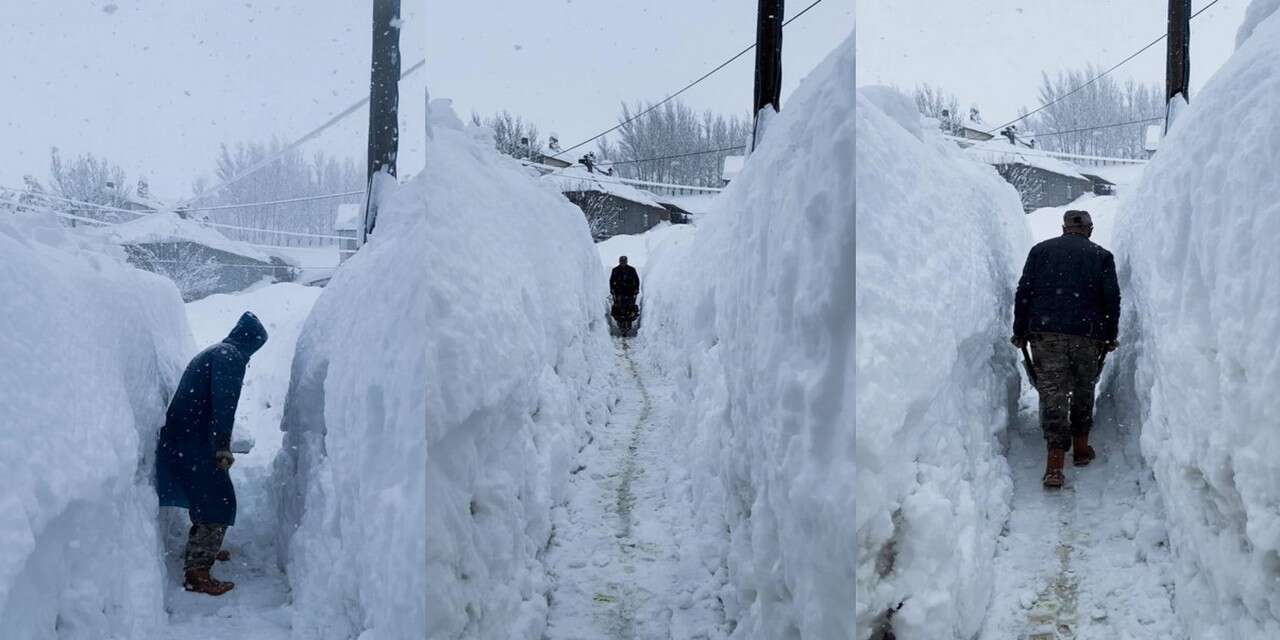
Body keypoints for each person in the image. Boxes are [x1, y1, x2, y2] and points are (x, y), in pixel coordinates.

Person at [156, 311, 268, 595]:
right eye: (255, 347)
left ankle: (203, 548)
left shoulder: (216, 351)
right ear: (250, 341)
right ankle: (197, 572)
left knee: (205, 495)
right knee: (219, 501)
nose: (252, 354)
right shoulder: (230, 357)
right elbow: (224, 405)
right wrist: (222, 445)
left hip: (184, 437)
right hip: (196, 441)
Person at [1011, 210, 1120, 489]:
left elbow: (1024, 292)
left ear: (1064, 227)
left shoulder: (1040, 251)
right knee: (1084, 387)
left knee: (1052, 392)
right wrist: (1109, 334)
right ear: (1090, 229)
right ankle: (1081, 448)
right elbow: (1111, 298)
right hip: (1087, 335)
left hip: (1045, 334)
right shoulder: (1101, 256)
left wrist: (1020, 330)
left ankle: (1055, 463)